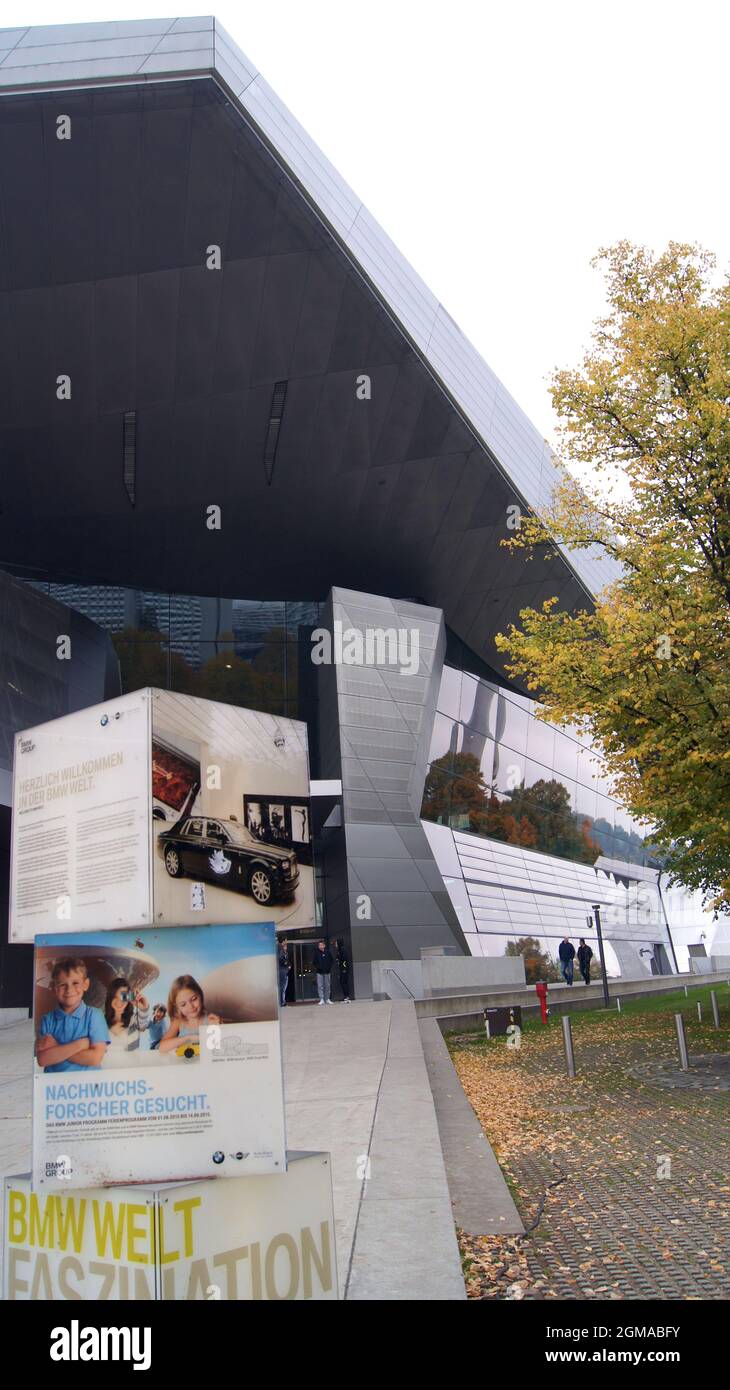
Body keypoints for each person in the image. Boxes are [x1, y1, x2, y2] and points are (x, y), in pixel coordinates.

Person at [35, 957, 110, 1072]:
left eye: (75, 983)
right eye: (62, 985)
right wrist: (79, 1045)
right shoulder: (47, 1019)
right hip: (55, 1087)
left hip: (87, 1087)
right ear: (54, 988)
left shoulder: (95, 1016)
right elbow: (43, 1059)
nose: (69, 989)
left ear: (86, 984)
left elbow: (95, 1058)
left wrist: (56, 1048)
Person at [158, 975, 220, 1053]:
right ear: (177, 1007)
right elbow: (162, 1048)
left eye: (194, 999)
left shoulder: (211, 1019)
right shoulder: (178, 1022)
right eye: (183, 1004)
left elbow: (217, 1050)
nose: (191, 1006)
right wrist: (188, 1038)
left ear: (200, 995)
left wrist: (215, 1028)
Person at [103, 977, 151, 1059]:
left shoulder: (134, 1022)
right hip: (107, 1070)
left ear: (128, 998)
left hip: (130, 1070)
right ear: (110, 997)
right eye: (115, 996)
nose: (119, 1002)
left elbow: (143, 1024)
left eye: (123, 997)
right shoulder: (100, 1023)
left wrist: (143, 1007)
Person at [313, 939, 333, 1005]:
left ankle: (327, 999)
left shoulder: (328, 952)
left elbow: (332, 961)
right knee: (320, 986)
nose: (320, 946)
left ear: (324, 945)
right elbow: (314, 962)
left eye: (322, 945)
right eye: (319, 945)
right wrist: (318, 967)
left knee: (327, 986)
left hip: (327, 972)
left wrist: (329, 968)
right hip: (319, 972)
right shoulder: (316, 953)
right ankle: (321, 999)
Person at [336, 938, 351, 1003]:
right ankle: (346, 996)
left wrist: (344, 968)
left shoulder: (342, 949)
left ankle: (346, 996)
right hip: (342, 968)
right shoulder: (340, 950)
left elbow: (344, 960)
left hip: (344, 969)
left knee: (343, 982)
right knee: (343, 982)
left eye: (336, 943)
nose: (335, 944)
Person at [278, 939, 291, 1007]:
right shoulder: (281, 951)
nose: (286, 947)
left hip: (285, 971)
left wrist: (289, 965)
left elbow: (287, 961)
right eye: (285, 945)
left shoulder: (286, 953)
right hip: (282, 971)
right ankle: (282, 1002)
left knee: (284, 988)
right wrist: (286, 963)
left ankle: (283, 1002)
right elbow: (280, 959)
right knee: (282, 988)